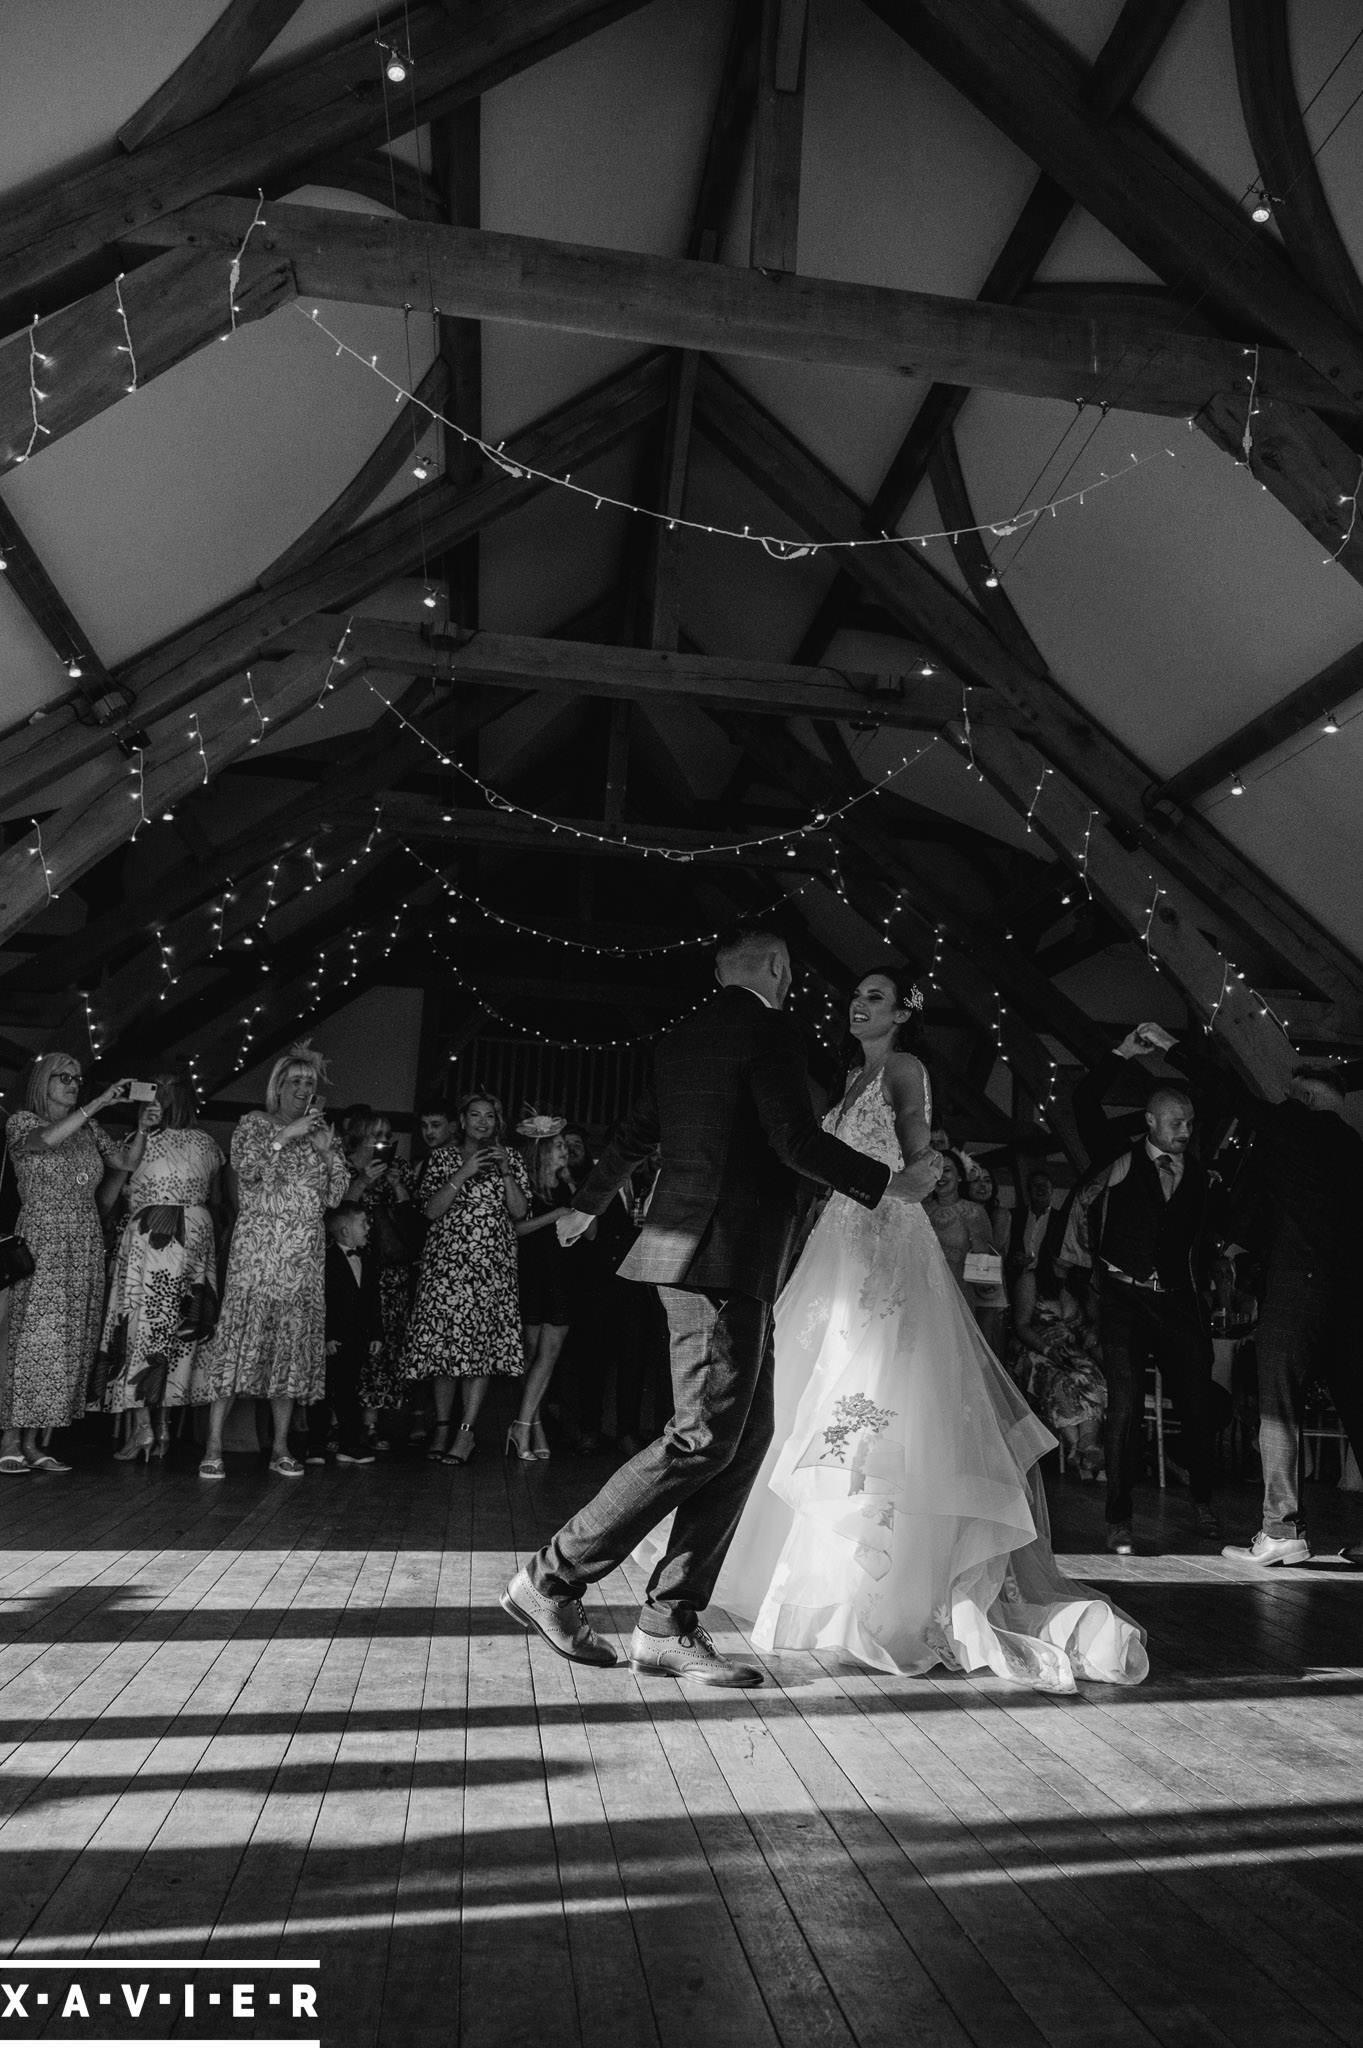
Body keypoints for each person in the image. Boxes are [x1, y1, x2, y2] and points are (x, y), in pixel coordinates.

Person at [499, 929, 943, 1689]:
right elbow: (791, 1139)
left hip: (703, 1256)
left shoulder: (683, 1036)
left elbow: (636, 1131)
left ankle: (666, 1623)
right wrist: (885, 1182)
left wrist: (587, 1203)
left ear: (718, 971)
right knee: (702, 1437)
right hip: (722, 1257)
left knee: (744, 1439)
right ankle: (551, 1577)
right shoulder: (769, 1031)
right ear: (778, 968)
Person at [702, 968, 1147, 1692]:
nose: (858, 1004)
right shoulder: (851, 1078)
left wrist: (912, 1180)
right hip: (837, 1244)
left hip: (882, 1244)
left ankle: (872, 1591)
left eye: (875, 997)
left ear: (904, 1012)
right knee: (807, 1391)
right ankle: (799, 1575)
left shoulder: (903, 1067)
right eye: (855, 995)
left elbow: (916, 1150)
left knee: (871, 1394)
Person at [1060, 1050, 1220, 1555]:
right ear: (1150, 1121)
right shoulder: (1118, 1156)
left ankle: (1202, 1499)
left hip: (1177, 1302)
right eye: (1176, 1122)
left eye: (1190, 1123)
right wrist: (1120, 1055)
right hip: (1123, 1299)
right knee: (1125, 1407)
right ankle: (1119, 1519)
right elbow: (1084, 1101)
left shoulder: (1199, 1174)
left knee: (1197, 1404)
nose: (1185, 1131)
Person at [1207, 1064, 1363, 1566]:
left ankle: (1282, 1530)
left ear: (1306, 1100)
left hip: (1299, 1287)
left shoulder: (1297, 1126)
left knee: (1278, 1406)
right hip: (1351, 1293)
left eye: (1293, 1097)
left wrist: (1172, 1049)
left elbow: (1235, 1094)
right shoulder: (1353, 1145)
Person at [197, 1042, 349, 1479]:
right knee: (238, 1346)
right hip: (259, 1253)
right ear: (278, 1086)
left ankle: (281, 1446)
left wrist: (326, 1151)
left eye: (310, 1083)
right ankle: (213, 1446)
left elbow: (336, 1195)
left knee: (290, 1350)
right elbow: (247, 1168)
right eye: (296, 1081)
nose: (304, 1089)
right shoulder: (254, 1123)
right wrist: (286, 1135)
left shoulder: (322, 1133)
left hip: (302, 1259)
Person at [0, 1056, 143, 1476]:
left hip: (83, 1241)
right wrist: (97, 1103)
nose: (73, 1084)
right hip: (43, 1238)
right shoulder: (23, 1122)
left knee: (67, 1343)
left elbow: (126, 1163)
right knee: (32, 1341)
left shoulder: (89, 1129)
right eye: (64, 1077)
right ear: (43, 1082)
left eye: (77, 1079)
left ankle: (33, 1444)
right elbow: (42, 1143)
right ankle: (9, 1440)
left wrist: (143, 1128)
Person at [97, 1069, 224, 1461]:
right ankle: (163, 1427)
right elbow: (217, 1202)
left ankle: (144, 1428)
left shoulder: (143, 1140)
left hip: (155, 1234)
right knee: (177, 1330)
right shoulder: (207, 1143)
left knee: (144, 1327)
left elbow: (107, 1200)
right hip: (191, 1232)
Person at [401, 1090, 531, 1464]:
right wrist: (465, 1171)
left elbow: (520, 1212)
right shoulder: (443, 1158)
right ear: (463, 1120)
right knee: (445, 1348)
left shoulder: (512, 1159)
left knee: (479, 1351)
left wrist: (505, 1171)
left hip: (491, 1270)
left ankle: (466, 1432)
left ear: (498, 1122)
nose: (483, 1122)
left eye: (490, 1115)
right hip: (446, 1269)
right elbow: (431, 1210)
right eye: (476, 1114)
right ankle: (442, 1426)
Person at [339, 1106, 422, 1449]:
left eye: (388, 1136)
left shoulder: (399, 1167)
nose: (384, 1141)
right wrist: (362, 1181)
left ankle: (371, 1424)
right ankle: (339, 1421)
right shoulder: (342, 1165)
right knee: (346, 1339)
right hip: (351, 1264)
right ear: (360, 1136)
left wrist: (398, 1186)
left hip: (390, 1270)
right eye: (377, 1135)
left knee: (382, 1344)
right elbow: (335, 1214)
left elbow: (413, 1219)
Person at [509, 1126, 583, 1461]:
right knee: (530, 1354)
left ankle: (524, 1425)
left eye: (565, 1145)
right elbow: (514, 1229)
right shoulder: (526, 1185)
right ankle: (531, 1424)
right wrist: (554, 1215)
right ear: (541, 1151)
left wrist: (579, 1195)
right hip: (533, 1273)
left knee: (549, 1354)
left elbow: (589, 1231)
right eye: (558, 1146)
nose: (564, 1151)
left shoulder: (568, 1185)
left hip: (563, 1275)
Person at [1011, 1264, 1106, 1482]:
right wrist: (1046, 1349)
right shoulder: (1031, 1279)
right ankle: (1083, 1451)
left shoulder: (1081, 1283)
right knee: (1059, 1381)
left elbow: (1095, 1321)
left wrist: (1091, 1332)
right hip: (1036, 1350)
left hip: (1071, 1351)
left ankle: (1085, 1445)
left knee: (1090, 1376)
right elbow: (1021, 1325)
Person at [306, 1202, 381, 1465]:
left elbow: (373, 1301)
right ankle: (315, 1445)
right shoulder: (325, 1260)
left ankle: (349, 1444)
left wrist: (376, 1334)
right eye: (364, 1223)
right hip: (332, 1341)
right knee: (322, 1393)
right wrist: (326, 1335)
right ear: (345, 1231)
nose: (368, 1227)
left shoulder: (367, 1259)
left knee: (349, 1393)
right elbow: (321, 1301)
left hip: (356, 1339)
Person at [1005, 1168, 1066, 1284]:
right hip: (1015, 1280)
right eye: (1036, 1185)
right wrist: (1014, 1260)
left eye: (1044, 1185)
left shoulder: (1062, 1220)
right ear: (1029, 1190)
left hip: (1049, 1283)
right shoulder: (1013, 1216)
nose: (1040, 1188)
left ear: (1052, 1190)